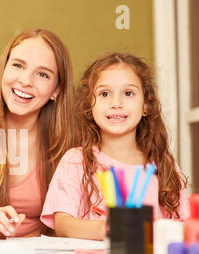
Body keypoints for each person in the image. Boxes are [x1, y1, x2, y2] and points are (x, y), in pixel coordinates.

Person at [40, 52, 189, 240]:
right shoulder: (76, 161)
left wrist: (153, 228)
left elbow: (182, 228)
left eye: (128, 93)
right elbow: (63, 225)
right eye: (104, 94)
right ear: (89, 104)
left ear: (146, 105)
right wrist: (108, 228)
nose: (116, 103)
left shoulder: (163, 163)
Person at [0, 28, 78, 239]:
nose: (26, 81)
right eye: (18, 65)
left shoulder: (69, 142)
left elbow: (63, 226)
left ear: (56, 90)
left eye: (43, 74)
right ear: (3, 69)